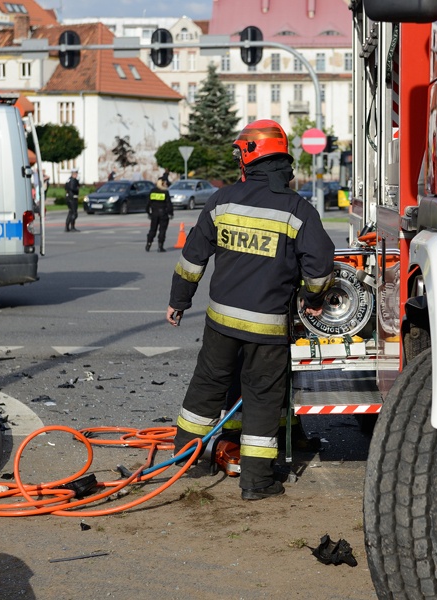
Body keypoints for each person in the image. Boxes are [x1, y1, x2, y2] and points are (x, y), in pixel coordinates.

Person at [166, 119, 335, 501]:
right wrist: (314, 297)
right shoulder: (297, 210)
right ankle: (256, 482)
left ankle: (187, 462)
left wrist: (179, 301)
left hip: (220, 323)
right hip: (268, 329)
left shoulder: (222, 200)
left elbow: (193, 258)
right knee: (262, 398)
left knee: (206, 389)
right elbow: (320, 263)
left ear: (249, 156)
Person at [147, 174, 173, 252]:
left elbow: (148, 203)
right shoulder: (165, 192)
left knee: (152, 229)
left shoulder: (152, 191)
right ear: (162, 183)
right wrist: (171, 213)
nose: (166, 184)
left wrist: (148, 212)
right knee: (162, 230)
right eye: (165, 182)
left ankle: (148, 244)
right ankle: (160, 246)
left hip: (154, 213)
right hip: (163, 214)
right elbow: (169, 204)